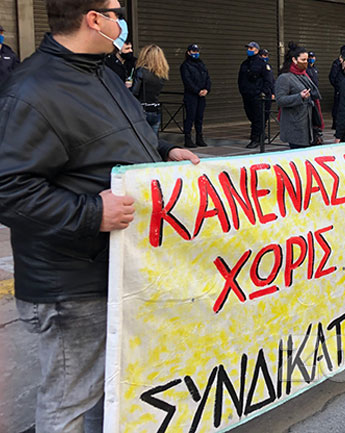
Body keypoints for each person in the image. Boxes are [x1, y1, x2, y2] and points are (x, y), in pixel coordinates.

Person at [0, 1, 199, 431]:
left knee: (107, 390)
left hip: (111, 270)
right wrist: (93, 213)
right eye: (116, 11)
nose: (121, 20)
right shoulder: (33, 90)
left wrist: (165, 150)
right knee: (69, 401)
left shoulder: (100, 73)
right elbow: (8, 189)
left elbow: (121, 135)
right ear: (94, 19)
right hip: (71, 280)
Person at [276, 42, 323, 149]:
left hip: (309, 125)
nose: (306, 62)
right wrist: (299, 97)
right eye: (303, 60)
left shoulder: (304, 75)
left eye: (307, 60)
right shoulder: (285, 78)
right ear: (294, 60)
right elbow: (280, 100)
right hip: (295, 126)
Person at [239, 41, 274, 149]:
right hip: (247, 95)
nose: (249, 50)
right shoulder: (245, 63)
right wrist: (243, 91)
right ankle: (260, 134)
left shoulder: (262, 64)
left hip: (258, 96)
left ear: (257, 50)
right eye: (248, 48)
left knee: (258, 117)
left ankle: (256, 138)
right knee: (251, 115)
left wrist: (263, 92)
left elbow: (268, 80)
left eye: (251, 48)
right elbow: (241, 79)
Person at [131, 44, 168, 136]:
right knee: (153, 140)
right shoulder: (161, 74)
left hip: (142, 109)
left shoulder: (141, 71)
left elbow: (134, 92)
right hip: (155, 109)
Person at [180, 43, 210, 148]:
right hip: (191, 95)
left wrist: (206, 89)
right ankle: (188, 138)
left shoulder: (201, 64)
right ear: (188, 52)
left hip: (201, 96)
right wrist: (197, 90)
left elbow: (207, 78)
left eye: (197, 51)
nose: (196, 53)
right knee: (190, 117)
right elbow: (187, 81)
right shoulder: (185, 65)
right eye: (193, 51)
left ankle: (199, 138)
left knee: (199, 117)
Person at [329, 44, 345, 129]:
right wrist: (337, 86)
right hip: (339, 89)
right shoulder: (337, 63)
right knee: (337, 106)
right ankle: (336, 123)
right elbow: (332, 77)